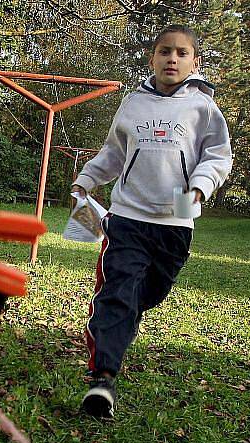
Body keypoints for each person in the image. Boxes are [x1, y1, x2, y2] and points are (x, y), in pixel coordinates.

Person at [71, 25, 233, 418]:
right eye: (164, 52)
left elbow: (218, 155)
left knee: (151, 293)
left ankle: (127, 315)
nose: (172, 59)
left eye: (181, 53)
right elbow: (114, 152)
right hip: (127, 215)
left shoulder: (203, 108)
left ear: (194, 62)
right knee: (117, 293)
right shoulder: (133, 103)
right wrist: (88, 179)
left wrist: (199, 186)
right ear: (152, 58)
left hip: (177, 217)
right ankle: (102, 380)